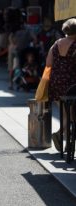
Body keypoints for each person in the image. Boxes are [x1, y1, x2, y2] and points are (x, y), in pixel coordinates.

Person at [46, 18, 76, 151]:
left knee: (65, 114)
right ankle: (59, 135)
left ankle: (67, 142)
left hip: (56, 82)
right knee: (71, 115)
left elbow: (48, 63)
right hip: (71, 84)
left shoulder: (57, 43)